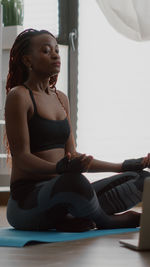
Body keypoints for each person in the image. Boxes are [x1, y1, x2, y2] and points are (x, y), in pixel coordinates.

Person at [5, 28, 150, 232]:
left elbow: (73, 156)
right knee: (74, 182)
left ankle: (73, 216)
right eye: (46, 51)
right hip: (28, 202)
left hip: (67, 189)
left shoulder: (61, 99)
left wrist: (124, 165)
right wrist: (60, 169)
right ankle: (105, 221)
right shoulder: (19, 96)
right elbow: (22, 159)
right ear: (28, 61)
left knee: (142, 178)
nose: (55, 54)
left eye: (56, 49)